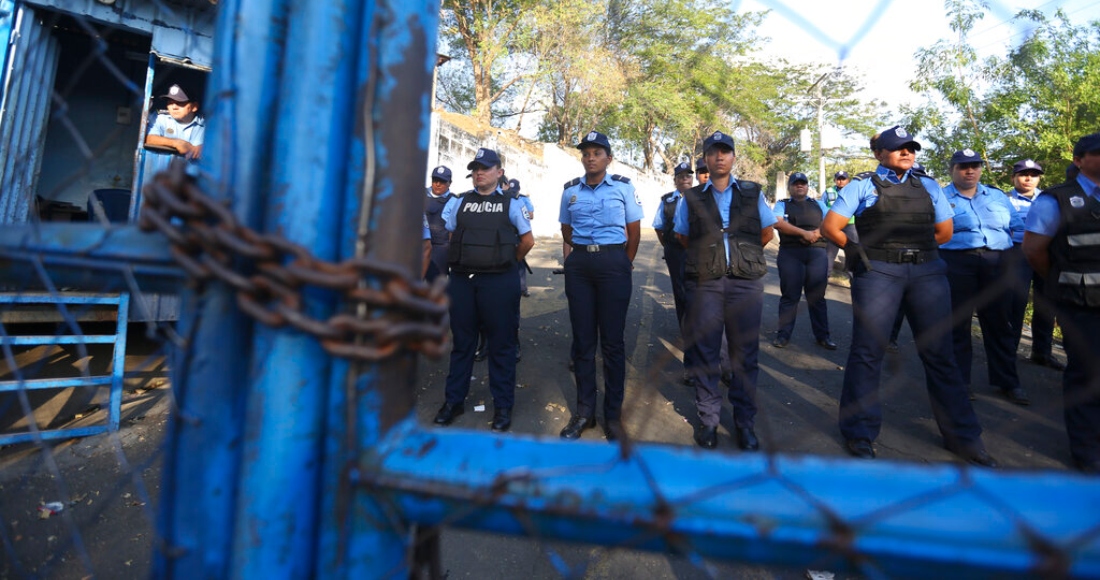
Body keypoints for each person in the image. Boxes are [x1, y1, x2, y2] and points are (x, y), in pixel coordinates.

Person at [821, 125, 997, 467]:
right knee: (867, 351)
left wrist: (912, 250)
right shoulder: (862, 185)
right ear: (879, 153)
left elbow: (944, 232)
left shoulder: (928, 185)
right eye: (898, 147)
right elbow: (831, 227)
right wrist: (856, 251)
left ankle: (963, 437)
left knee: (941, 354)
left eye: (911, 148)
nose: (907, 152)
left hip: (927, 273)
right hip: (879, 274)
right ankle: (859, 432)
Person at [674, 131, 776, 451]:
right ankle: (708, 421)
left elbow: (767, 232)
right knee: (706, 352)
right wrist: (712, 259)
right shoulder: (691, 198)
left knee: (744, 355)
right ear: (704, 158)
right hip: (705, 283)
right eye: (713, 152)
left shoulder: (751, 193)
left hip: (745, 285)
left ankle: (745, 423)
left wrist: (740, 258)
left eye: (725, 151)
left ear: (734, 157)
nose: (719, 157)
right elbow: (682, 237)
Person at [432, 148, 534, 433]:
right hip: (464, 280)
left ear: (499, 172)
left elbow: (527, 241)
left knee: (501, 345)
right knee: (463, 343)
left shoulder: (512, 204)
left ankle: (502, 406)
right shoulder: (459, 202)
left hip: (499, 281)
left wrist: (503, 262)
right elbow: (453, 233)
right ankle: (453, 401)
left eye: (485, 168)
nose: (479, 172)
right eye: (476, 168)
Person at [1022, 132, 1100, 475]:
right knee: (1086, 373)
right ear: (1079, 160)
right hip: (1078, 303)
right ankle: (1086, 449)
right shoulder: (1056, 200)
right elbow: (1034, 250)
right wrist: (1062, 282)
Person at [558, 131, 643, 442]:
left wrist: (623, 262)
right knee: (582, 342)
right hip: (580, 265)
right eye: (586, 153)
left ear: (609, 158)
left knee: (612, 343)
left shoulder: (623, 187)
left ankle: (613, 416)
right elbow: (566, 230)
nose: (590, 157)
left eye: (597, 152)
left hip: (613, 264)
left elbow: (633, 233)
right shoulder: (570, 192)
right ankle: (584, 413)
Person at [939, 149, 1028, 406]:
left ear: (980, 169)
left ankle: (1008, 381)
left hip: (997, 262)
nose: (970, 170)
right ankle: (960, 381)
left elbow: (1018, 227)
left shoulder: (997, 196)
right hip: (958, 262)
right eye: (963, 166)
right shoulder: (940, 198)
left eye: (975, 166)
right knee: (958, 324)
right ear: (952, 170)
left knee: (1001, 323)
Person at [1006, 159, 1063, 370]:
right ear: (1013, 178)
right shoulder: (1004, 200)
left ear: (1040, 178)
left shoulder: (1050, 199)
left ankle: (1042, 352)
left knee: (1047, 303)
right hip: (1016, 254)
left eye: (1034, 174)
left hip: (1046, 254)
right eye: (1023, 174)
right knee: (1015, 304)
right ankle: (1008, 352)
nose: (1028, 178)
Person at [771, 172, 836, 350]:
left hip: (816, 253)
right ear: (790, 187)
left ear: (807, 186)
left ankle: (823, 336)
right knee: (790, 296)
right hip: (791, 253)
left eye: (803, 183)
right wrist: (803, 233)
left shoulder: (819, 204)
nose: (799, 186)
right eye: (795, 183)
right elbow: (776, 222)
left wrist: (815, 234)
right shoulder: (782, 204)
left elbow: (832, 222)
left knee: (817, 297)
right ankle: (783, 335)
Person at [653, 161, 693, 375]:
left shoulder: (702, 197)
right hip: (675, 252)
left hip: (698, 253)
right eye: (681, 177)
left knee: (698, 295)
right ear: (675, 180)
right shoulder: (667, 200)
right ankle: (687, 334)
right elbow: (659, 227)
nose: (685, 180)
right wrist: (669, 247)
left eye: (688, 176)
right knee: (681, 293)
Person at [144, 84, 204, 176]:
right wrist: (176, 143)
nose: (174, 107)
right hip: (160, 178)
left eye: (180, 103)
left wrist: (206, 148)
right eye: (170, 102)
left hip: (192, 182)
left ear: (194, 107)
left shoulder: (207, 124)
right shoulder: (160, 118)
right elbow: (147, 138)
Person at [823, 171, 856, 274]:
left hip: (850, 225)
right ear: (835, 180)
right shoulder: (828, 192)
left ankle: (853, 279)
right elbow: (822, 207)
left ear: (848, 180)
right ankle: (823, 279)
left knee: (853, 252)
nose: (841, 181)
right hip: (833, 226)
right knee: (829, 253)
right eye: (838, 179)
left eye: (843, 179)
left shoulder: (854, 191)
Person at [506, 178, 535, 297]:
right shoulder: (504, 198)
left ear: (519, 190)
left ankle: (522, 288)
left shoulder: (523, 199)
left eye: (515, 191)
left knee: (520, 262)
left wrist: (518, 213)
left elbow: (531, 215)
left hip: (520, 233)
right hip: (507, 234)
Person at [425, 165, 455, 281]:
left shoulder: (454, 201)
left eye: (442, 182)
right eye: (435, 180)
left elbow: (453, 231)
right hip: (419, 246)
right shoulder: (420, 195)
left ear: (449, 183)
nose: (437, 184)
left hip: (440, 250)